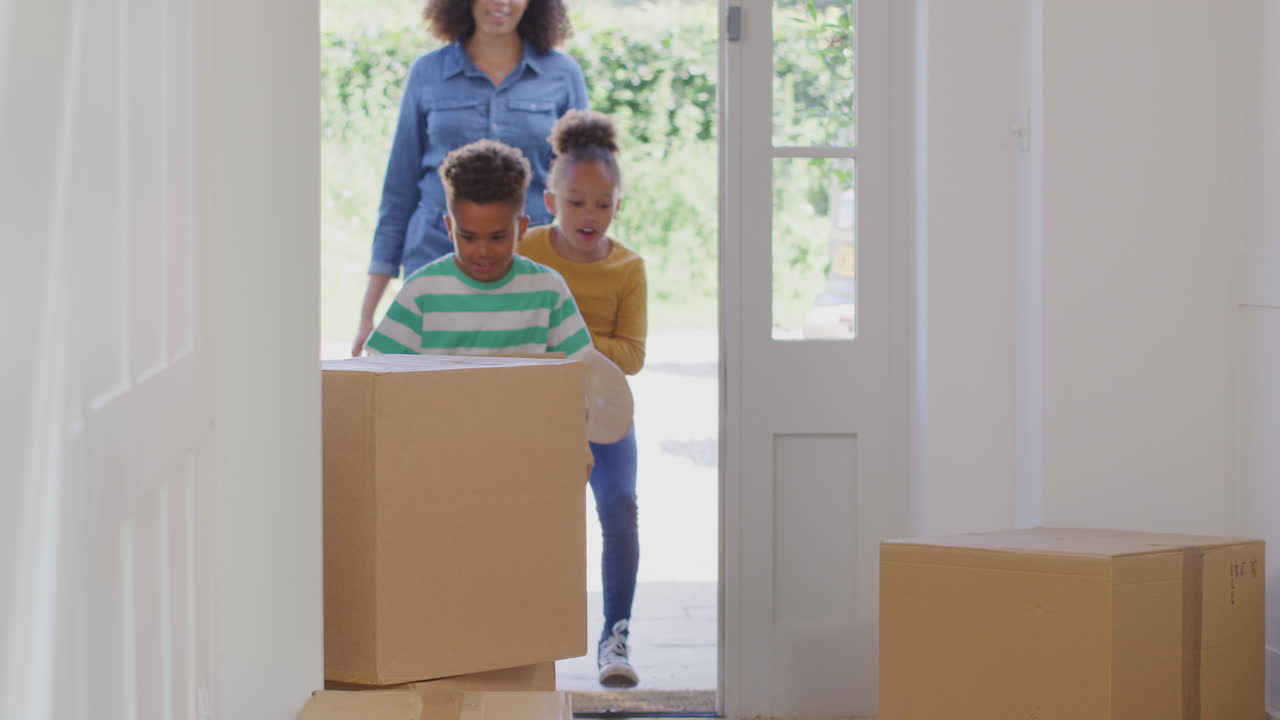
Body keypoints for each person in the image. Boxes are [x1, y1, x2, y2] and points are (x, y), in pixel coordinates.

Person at [354, 0, 589, 356]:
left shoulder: (563, 74)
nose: (501, 2)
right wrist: (368, 313)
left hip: (526, 279)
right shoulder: (427, 72)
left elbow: (582, 190)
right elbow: (399, 190)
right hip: (432, 254)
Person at [517, 109, 646, 687]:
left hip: (604, 414)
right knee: (528, 515)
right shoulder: (530, 250)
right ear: (551, 201)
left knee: (619, 509)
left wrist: (574, 342)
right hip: (537, 415)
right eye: (576, 202)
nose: (588, 215)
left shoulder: (628, 268)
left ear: (619, 204)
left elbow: (633, 354)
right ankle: (523, 639)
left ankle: (614, 638)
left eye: (602, 202)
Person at [365, 138, 591, 362]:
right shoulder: (422, 290)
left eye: (497, 237)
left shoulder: (549, 290)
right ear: (450, 228)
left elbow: (584, 367)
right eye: (469, 237)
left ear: (521, 228)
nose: (483, 251)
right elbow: (379, 366)